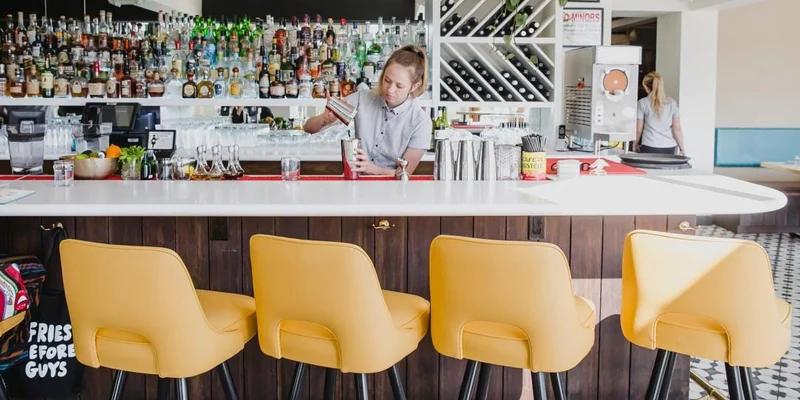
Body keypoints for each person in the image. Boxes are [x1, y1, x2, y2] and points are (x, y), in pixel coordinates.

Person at [303, 45, 432, 175]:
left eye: (399, 86)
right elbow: (308, 128)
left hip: (393, 190)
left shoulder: (421, 122)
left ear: (414, 86)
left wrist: (371, 169)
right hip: (357, 185)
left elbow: (404, 173)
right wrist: (325, 119)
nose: (390, 90)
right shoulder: (362, 99)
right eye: (387, 80)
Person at [634, 72, 686, 155]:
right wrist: (682, 149)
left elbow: (638, 129)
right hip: (668, 147)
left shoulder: (642, 103)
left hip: (649, 145)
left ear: (646, 87)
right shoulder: (672, 103)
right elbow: (677, 128)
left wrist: (635, 144)